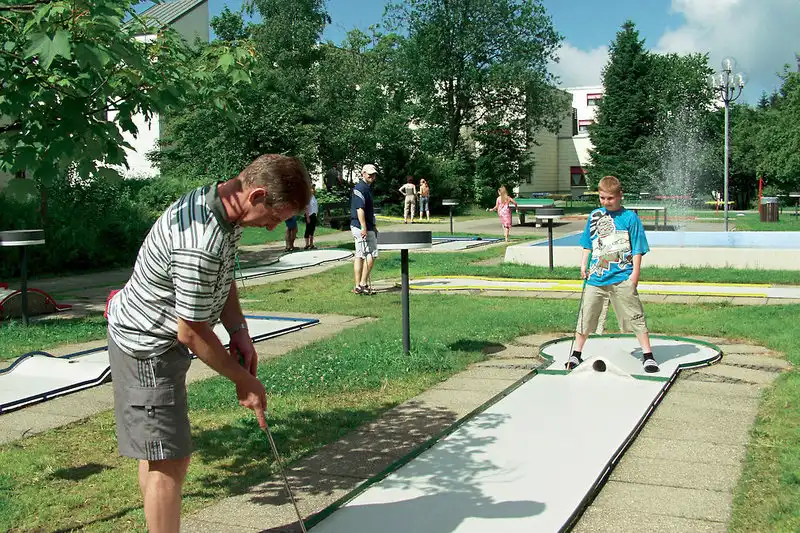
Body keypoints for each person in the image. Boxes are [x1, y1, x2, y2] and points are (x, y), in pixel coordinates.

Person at [105, 154, 311, 533]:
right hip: (146, 347)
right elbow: (192, 332)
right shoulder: (201, 240)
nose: (271, 228)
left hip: (160, 340)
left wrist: (239, 333)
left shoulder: (219, 205)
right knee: (170, 460)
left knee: (159, 456)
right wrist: (242, 380)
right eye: (275, 217)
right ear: (257, 195)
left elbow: (223, 275)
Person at [566, 175, 659, 373]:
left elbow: (637, 248)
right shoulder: (595, 217)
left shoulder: (630, 218)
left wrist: (635, 274)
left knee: (635, 315)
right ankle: (576, 353)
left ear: (620, 196)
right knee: (587, 315)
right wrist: (583, 265)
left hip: (622, 277)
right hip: (596, 277)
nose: (606, 202)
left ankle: (648, 355)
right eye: (602, 198)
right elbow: (587, 244)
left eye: (610, 198)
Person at [351, 164, 379, 295]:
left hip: (364, 226)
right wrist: (364, 227)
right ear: (363, 173)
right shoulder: (360, 188)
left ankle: (358, 286)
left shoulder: (365, 188)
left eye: (373, 174)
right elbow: (360, 209)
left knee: (360, 255)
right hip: (361, 226)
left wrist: (373, 226)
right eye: (369, 174)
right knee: (371, 254)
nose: (372, 176)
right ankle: (363, 284)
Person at [304, 183, 319, 250]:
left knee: (312, 230)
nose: (312, 190)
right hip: (309, 215)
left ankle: (311, 244)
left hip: (314, 214)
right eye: (311, 188)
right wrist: (307, 217)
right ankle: (307, 244)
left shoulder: (313, 197)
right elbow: (306, 208)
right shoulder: (307, 198)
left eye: (313, 188)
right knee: (308, 229)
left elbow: (315, 206)